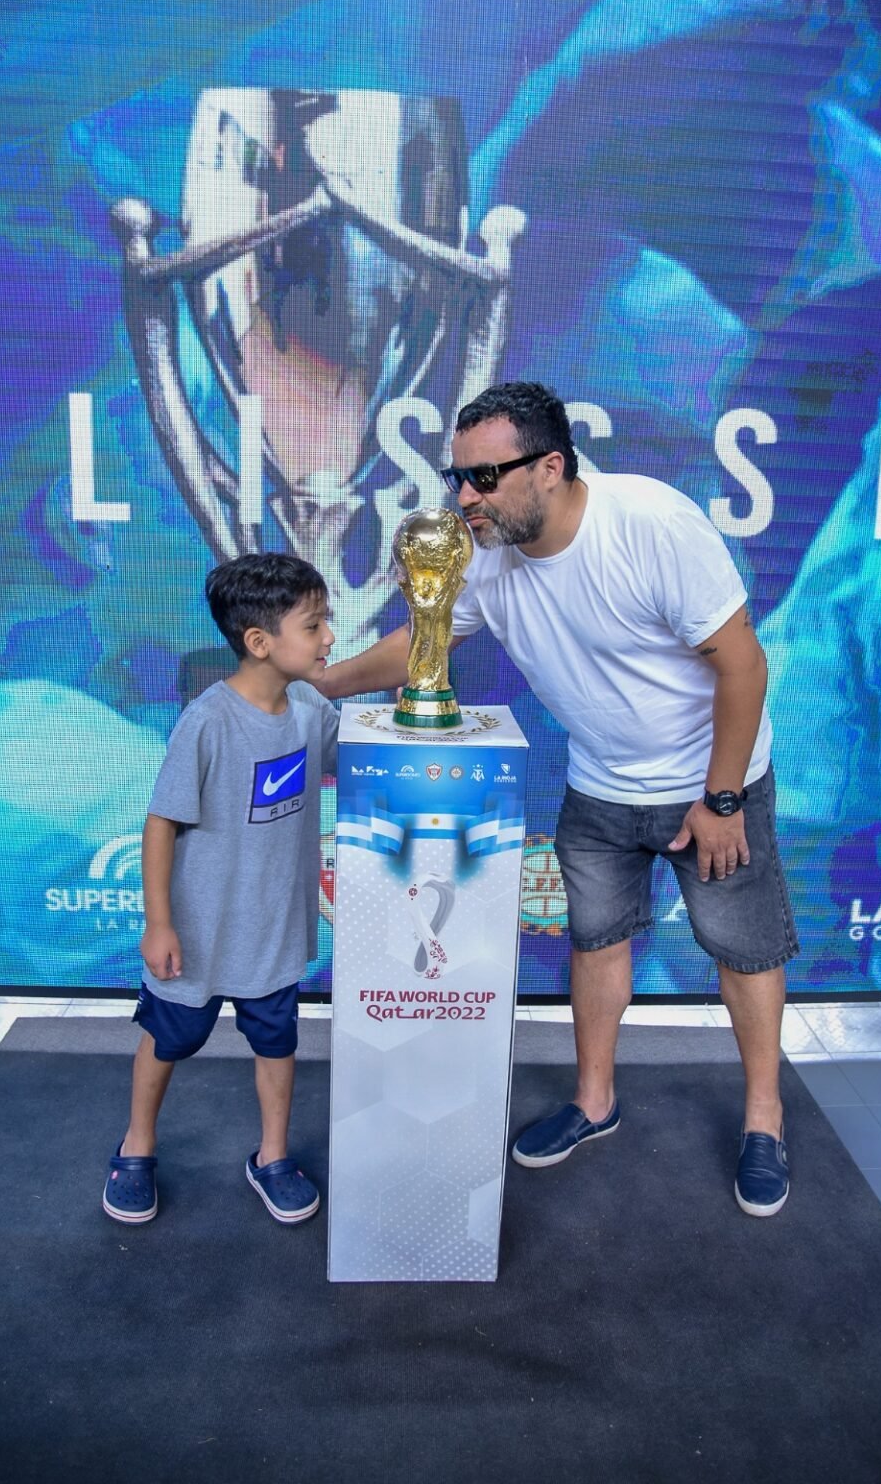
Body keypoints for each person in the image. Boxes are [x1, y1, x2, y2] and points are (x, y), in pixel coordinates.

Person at [323, 381, 798, 1217]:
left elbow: (743, 664)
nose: (465, 497)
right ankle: (593, 1100)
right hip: (600, 785)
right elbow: (421, 644)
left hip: (708, 784)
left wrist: (721, 801)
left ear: (550, 467)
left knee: (743, 949)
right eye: (456, 477)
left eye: (484, 477)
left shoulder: (650, 523)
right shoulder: (486, 550)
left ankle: (766, 1119)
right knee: (596, 941)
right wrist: (323, 680)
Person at [102, 553, 338, 1226]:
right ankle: (136, 1147)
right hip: (200, 935)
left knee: (277, 1043)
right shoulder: (207, 720)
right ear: (260, 643)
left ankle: (271, 1156)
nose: (329, 638)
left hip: (275, 933)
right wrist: (160, 923)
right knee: (169, 1038)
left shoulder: (311, 710)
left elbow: (355, 756)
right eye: (315, 624)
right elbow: (160, 824)